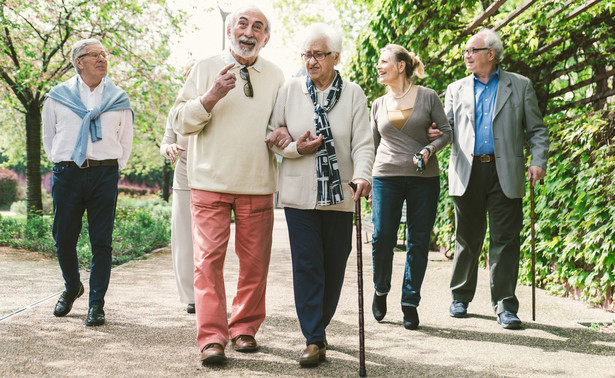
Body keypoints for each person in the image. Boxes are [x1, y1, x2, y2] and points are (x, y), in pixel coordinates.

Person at [168, 6, 285, 365]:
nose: (249, 32)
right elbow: (178, 121)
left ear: (266, 38)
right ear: (230, 30)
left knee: (254, 265)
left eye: (258, 27)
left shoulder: (278, 76)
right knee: (207, 263)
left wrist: (283, 133)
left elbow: (280, 124)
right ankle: (212, 337)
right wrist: (210, 96)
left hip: (257, 183)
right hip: (209, 183)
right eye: (242, 24)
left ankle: (245, 328)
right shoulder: (205, 68)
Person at [266, 23, 374, 367]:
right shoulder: (291, 89)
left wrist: (362, 175)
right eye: (306, 54)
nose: (310, 61)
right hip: (300, 195)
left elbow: (363, 143)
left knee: (334, 264)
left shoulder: (354, 93)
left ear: (335, 57)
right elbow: (273, 133)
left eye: (318, 54)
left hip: (340, 194)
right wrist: (297, 146)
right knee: (308, 264)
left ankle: (320, 326)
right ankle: (313, 338)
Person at [442, 29, 549, 329]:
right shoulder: (456, 88)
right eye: (465, 51)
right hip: (468, 170)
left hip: (506, 171)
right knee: (467, 237)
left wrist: (538, 161)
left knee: (505, 239)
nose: (467, 55)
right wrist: (430, 139)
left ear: (491, 53)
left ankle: (505, 305)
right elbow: (445, 130)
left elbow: (537, 130)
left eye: (472, 50)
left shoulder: (520, 85)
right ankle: (460, 296)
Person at [42, 38, 134, 327]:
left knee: (101, 243)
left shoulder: (119, 99)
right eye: (95, 54)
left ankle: (97, 304)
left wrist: (108, 167)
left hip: (104, 175)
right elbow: (49, 138)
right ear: (79, 61)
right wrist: (66, 163)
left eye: (104, 54)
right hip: (68, 173)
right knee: (63, 239)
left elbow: (125, 142)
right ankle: (72, 287)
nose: (102, 59)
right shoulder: (57, 97)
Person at [369, 44, 452, 330]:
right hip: (385, 177)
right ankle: (381, 290)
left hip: (423, 179)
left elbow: (447, 133)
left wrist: (430, 149)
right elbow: (372, 146)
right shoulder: (378, 104)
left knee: (418, 241)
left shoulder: (428, 96)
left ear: (400, 65)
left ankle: (410, 301)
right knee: (382, 237)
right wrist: (367, 180)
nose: (378, 66)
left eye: (383, 61)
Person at [159, 61, 196, 314]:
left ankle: (210, 292)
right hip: (183, 180)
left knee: (208, 244)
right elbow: (165, 143)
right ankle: (192, 297)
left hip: (212, 181)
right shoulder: (177, 110)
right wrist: (169, 149)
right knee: (184, 241)